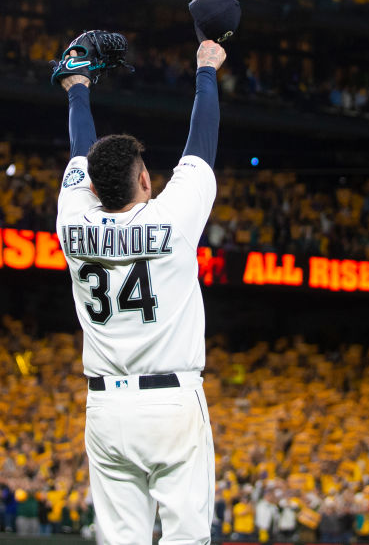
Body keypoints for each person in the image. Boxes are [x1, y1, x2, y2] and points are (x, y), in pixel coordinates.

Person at [54, 31, 227, 544]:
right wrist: (206, 69)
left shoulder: (72, 220)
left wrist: (77, 86)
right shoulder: (173, 220)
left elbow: (82, 153)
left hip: (105, 408)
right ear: (146, 180)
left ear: (90, 186)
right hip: (171, 399)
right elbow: (201, 147)